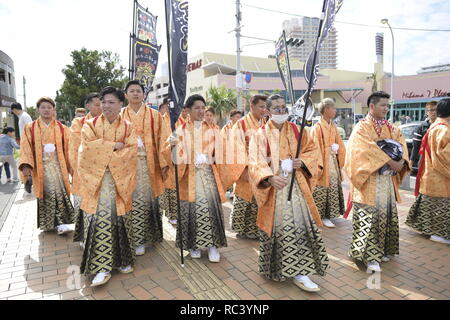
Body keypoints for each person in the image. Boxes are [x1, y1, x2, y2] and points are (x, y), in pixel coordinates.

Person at [248, 94, 328, 292]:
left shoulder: (297, 130)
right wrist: (268, 178)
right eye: (276, 108)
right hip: (275, 189)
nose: (282, 111)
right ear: (267, 111)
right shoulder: (260, 135)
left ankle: (301, 271)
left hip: (298, 185)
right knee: (280, 227)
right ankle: (274, 267)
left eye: (284, 107)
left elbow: (312, 151)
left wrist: (303, 162)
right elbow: (255, 162)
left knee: (299, 225)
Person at [77, 86, 137, 286]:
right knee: (101, 221)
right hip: (98, 183)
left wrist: (104, 148)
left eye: (111, 102)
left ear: (121, 104)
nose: (106, 105)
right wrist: (112, 146)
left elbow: (130, 153)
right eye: (103, 102)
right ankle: (102, 267)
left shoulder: (128, 126)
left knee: (120, 220)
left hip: (119, 183)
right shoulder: (90, 124)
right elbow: (86, 150)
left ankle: (122, 260)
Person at [345, 91, 410, 273]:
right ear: (372, 106)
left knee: (385, 214)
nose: (386, 109)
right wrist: (390, 161)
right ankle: (369, 256)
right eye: (383, 105)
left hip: (386, 180)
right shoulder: (362, 127)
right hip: (368, 180)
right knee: (369, 216)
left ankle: (382, 250)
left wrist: (401, 162)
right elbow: (361, 150)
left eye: (387, 106)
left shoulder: (392, 128)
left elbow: (401, 144)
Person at [163, 94, 227, 262]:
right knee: (191, 211)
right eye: (197, 108)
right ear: (188, 110)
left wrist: (211, 158)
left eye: (202, 108)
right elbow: (171, 156)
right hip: (188, 177)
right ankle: (193, 245)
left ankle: (213, 245)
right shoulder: (180, 130)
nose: (201, 111)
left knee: (209, 209)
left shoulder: (213, 129)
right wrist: (172, 146)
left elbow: (222, 152)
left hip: (207, 175)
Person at [121, 80, 171, 256]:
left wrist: (164, 162)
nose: (135, 94)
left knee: (149, 200)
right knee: (133, 201)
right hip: (127, 166)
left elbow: (164, 138)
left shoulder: (154, 115)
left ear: (144, 94)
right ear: (126, 95)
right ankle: (136, 239)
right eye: (132, 91)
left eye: (138, 91)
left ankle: (151, 236)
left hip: (150, 164)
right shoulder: (120, 116)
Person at [18, 97, 75, 235]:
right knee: (47, 194)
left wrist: (72, 167)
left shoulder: (62, 128)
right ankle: (48, 223)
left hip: (58, 166)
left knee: (59, 193)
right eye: (43, 107)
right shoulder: (30, 128)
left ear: (54, 109)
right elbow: (25, 146)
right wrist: (26, 164)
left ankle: (61, 223)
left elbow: (70, 148)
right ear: (38, 109)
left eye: (49, 107)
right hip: (40, 168)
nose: (46, 110)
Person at [406, 98, 450, 244]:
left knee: (431, 205)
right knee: (441, 208)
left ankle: (431, 230)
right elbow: (445, 154)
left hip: (431, 173)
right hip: (440, 176)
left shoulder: (435, 127)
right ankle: (439, 234)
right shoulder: (443, 129)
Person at [224, 95, 267, 239]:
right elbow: (235, 148)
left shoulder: (265, 123)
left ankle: (256, 230)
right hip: (246, 169)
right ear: (252, 106)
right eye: (261, 106)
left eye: (265, 107)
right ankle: (242, 230)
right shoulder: (241, 124)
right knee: (245, 198)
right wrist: (244, 169)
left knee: (259, 200)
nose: (264, 110)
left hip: (262, 168)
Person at [70, 93, 103, 246]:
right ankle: (85, 237)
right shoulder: (79, 122)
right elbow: (77, 147)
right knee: (84, 204)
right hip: (84, 171)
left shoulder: (109, 121)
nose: (101, 107)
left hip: (104, 170)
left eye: (102, 103)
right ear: (88, 105)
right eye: (97, 104)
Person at [310, 98, 346, 228]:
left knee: (332, 186)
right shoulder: (317, 127)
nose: (335, 110)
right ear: (326, 110)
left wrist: (337, 149)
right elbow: (314, 147)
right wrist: (328, 150)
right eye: (333, 108)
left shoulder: (333, 126)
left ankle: (328, 214)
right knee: (322, 188)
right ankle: (320, 215)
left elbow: (340, 143)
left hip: (332, 160)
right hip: (323, 161)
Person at [158, 98, 178, 225]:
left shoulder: (179, 120)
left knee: (178, 190)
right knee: (168, 190)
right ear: (164, 107)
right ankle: (171, 214)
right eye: (167, 106)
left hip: (179, 160)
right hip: (165, 159)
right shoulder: (159, 120)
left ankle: (178, 214)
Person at [410, 101, 438, 176]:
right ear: (427, 112)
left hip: (440, 161)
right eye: (431, 110)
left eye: (436, 110)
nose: (434, 112)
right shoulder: (421, 127)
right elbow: (416, 147)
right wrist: (411, 163)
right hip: (425, 161)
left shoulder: (444, 126)